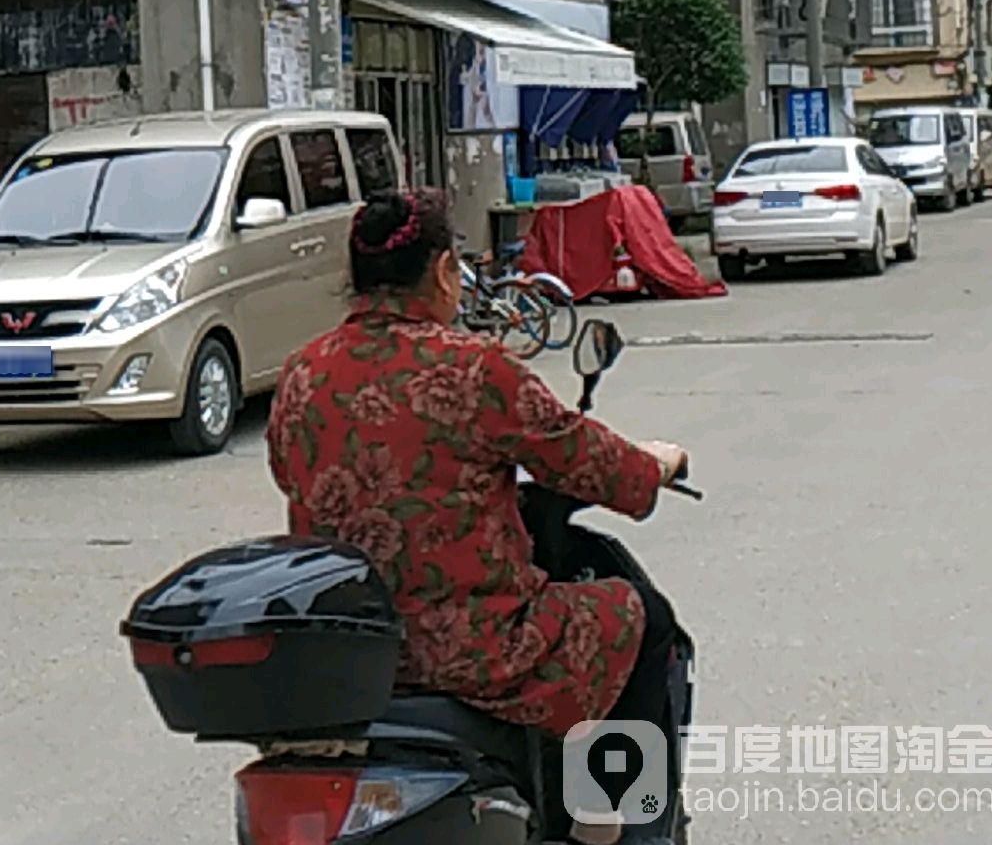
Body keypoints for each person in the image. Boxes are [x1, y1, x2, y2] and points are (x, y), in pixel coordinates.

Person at [267, 189, 688, 845]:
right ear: (442, 272)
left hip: (350, 653)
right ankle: (607, 828)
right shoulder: (476, 369)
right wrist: (658, 463)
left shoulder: (300, 374)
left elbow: (292, 475)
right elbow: (605, 470)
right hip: (473, 650)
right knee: (637, 616)